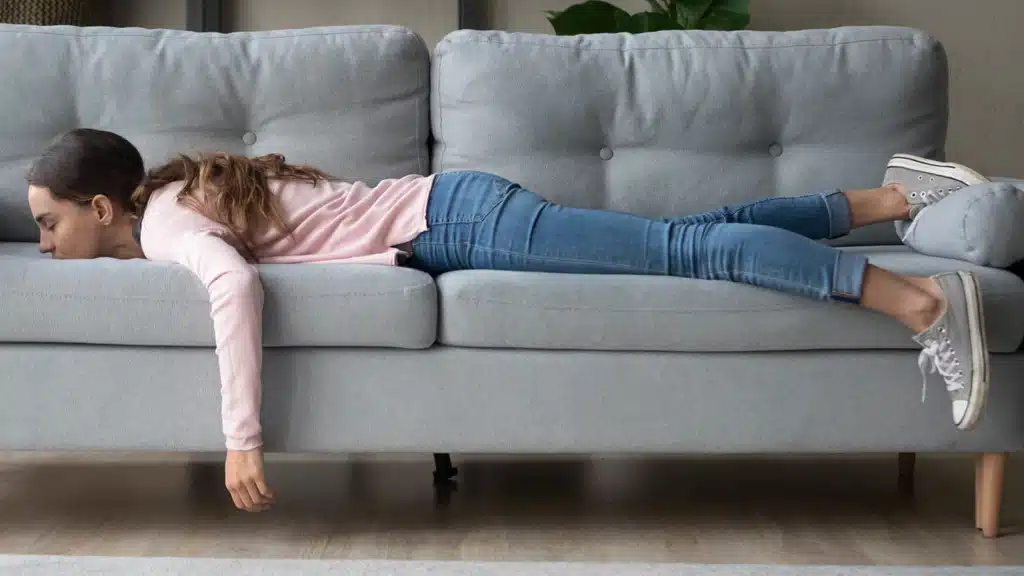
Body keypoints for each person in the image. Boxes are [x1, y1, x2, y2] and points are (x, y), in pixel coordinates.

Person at [26, 128, 991, 512]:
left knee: (682, 253)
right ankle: (889, 201)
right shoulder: (164, 205)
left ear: (103, 208)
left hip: (458, 220)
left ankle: (922, 303)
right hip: (456, 213)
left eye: (49, 222)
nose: (42, 243)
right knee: (677, 234)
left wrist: (242, 439)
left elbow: (234, 289)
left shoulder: (162, 227)